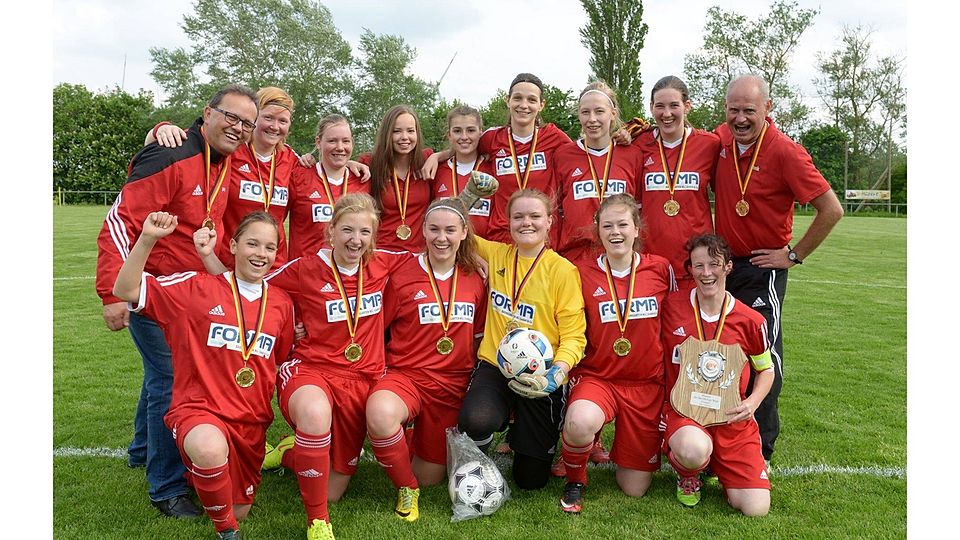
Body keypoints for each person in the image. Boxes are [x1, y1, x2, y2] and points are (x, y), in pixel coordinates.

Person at [96, 83, 259, 518]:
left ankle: (140, 449)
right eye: (232, 117)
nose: (240, 128)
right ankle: (167, 487)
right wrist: (112, 292)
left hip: (191, 292)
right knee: (171, 379)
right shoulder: (171, 154)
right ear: (207, 113)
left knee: (158, 376)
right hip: (153, 292)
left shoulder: (223, 159)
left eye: (247, 123)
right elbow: (119, 221)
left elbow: (273, 151)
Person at [113, 211, 295, 539]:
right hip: (199, 409)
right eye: (252, 243)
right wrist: (148, 239)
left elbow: (276, 360)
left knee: (239, 506)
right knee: (210, 450)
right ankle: (227, 531)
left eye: (269, 247)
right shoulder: (195, 289)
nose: (261, 254)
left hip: (250, 421)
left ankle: (202, 473)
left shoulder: (281, 303)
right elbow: (125, 288)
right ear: (234, 245)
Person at [254, 193, 412, 540]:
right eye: (347, 231)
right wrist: (289, 321)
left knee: (332, 488)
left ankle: (289, 453)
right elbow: (248, 287)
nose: (356, 240)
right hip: (312, 369)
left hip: (362, 378)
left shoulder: (384, 263)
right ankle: (318, 521)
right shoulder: (304, 268)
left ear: (374, 236)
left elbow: (436, 252)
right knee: (314, 414)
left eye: (364, 233)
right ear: (331, 231)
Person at [713, 74, 844, 463]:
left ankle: (761, 451)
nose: (739, 119)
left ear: (768, 109)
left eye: (749, 111)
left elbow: (831, 209)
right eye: (733, 110)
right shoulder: (721, 139)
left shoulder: (786, 151)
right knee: (721, 353)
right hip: (723, 268)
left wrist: (793, 255)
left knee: (761, 357)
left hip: (761, 268)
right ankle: (721, 440)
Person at [366, 198, 487, 522]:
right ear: (422, 230)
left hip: (451, 384)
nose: (441, 237)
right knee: (380, 413)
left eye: (450, 230)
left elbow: (477, 335)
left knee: (431, 475)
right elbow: (379, 326)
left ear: (463, 233)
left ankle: (406, 440)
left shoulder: (476, 276)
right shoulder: (403, 273)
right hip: (407, 376)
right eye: (434, 229)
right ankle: (406, 485)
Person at [457, 188, 587, 490]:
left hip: (541, 375)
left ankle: (523, 435)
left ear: (550, 222)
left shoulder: (562, 271)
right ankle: (474, 466)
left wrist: (557, 374)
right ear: (508, 221)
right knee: (476, 419)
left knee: (531, 480)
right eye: (518, 216)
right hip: (496, 364)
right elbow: (452, 223)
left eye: (534, 216)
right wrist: (467, 198)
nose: (526, 223)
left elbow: (574, 335)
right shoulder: (497, 253)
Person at [558, 194, 675, 514]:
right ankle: (576, 479)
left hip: (645, 384)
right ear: (598, 231)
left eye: (623, 224)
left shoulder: (660, 269)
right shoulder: (580, 271)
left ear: (637, 229)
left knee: (634, 488)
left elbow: (675, 322)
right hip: (600, 377)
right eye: (607, 225)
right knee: (580, 422)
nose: (616, 232)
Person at [660, 233, 773, 516]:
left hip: (732, 418)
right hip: (686, 412)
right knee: (693, 449)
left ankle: (722, 465)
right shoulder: (671, 306)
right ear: (690, 269)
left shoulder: (751, 321)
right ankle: (689, 471)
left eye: (714, 264)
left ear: (728, 267)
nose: (706, 273)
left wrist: (752, 404)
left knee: (755, 508)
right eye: (699, 266)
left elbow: (766, 370)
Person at [150, 87, 300, 268]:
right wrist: (161, 129)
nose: (275, 126)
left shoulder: (293, 161)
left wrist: (344, 165)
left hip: (272, 266)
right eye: (268, 118)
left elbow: (324, 178)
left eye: (282, 121)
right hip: (226, 262)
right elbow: (191, 141)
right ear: (253, 120)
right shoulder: (230, 148)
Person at [423, 73, 572, 244]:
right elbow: (465, 146)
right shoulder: (492, 138)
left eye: (531, 99)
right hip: (502, 235)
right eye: (517, 98)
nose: (524, 105)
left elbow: (580, 153)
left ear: (541, 105)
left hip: (542, 236)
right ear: (507, 100)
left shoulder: (554, 137)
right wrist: (437, 156)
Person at [633, 76, 720, 288]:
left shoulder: (710, 145)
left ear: (687, 106)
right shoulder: (637, 144)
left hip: (697, 261)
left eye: (674, 106)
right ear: (651, 107)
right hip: (650, 260)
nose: (667, 114)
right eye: (660, 106)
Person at [554, 81, 644, 262]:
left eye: (599, 111)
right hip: (575, 256)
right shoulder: (563, 154)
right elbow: (557, 208)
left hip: (620, 254)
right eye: (585, 112)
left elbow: (640, 207)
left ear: (613, 114)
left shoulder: (632, 154)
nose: (592, 119)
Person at [287, 114, 371, 259]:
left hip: (346, 274)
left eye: (346, 141)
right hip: (306, 272)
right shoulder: (299, 176)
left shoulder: (362, 180)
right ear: (318, 142)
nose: (340, 147)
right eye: (332, 141)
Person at [361, 105, 434, 252]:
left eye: (410, 131)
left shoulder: (427, 160)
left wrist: (439, 156)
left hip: (418, 254)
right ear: (387, 134)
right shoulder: (369, 163)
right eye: (397, 131)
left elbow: (458, 152)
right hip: (380, 252)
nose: (405, 137)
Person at [430, 105, 496, 238]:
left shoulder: (493, 167)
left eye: (471, 130)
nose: (464, 136)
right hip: (447, 250)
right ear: (449, 134)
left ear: (480, 133)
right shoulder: (437, 170)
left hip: (486, 251)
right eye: (457, 131)